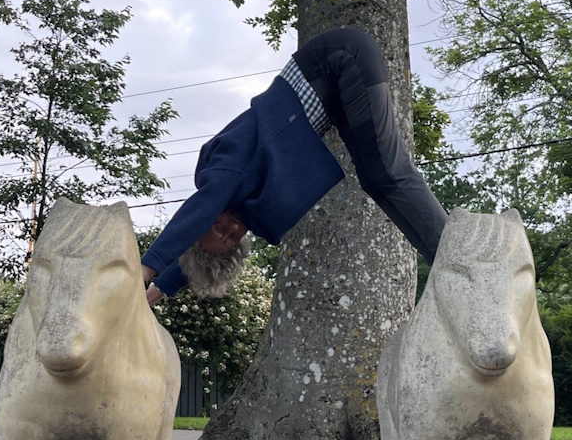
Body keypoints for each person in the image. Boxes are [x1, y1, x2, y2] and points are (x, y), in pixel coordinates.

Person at [141, 27, 448, 305]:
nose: (231, 229)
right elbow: (199, 254)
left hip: (338, 59)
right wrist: (159, 290)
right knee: (373, 178)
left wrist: (146, 267)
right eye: (232, 237)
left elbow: (202, 209)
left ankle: (455, 253)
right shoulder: (249, 205)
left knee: (387, 172)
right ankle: (446, 258)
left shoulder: (224, 172)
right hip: (336, 87)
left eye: (219, 226)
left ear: (205, 221)